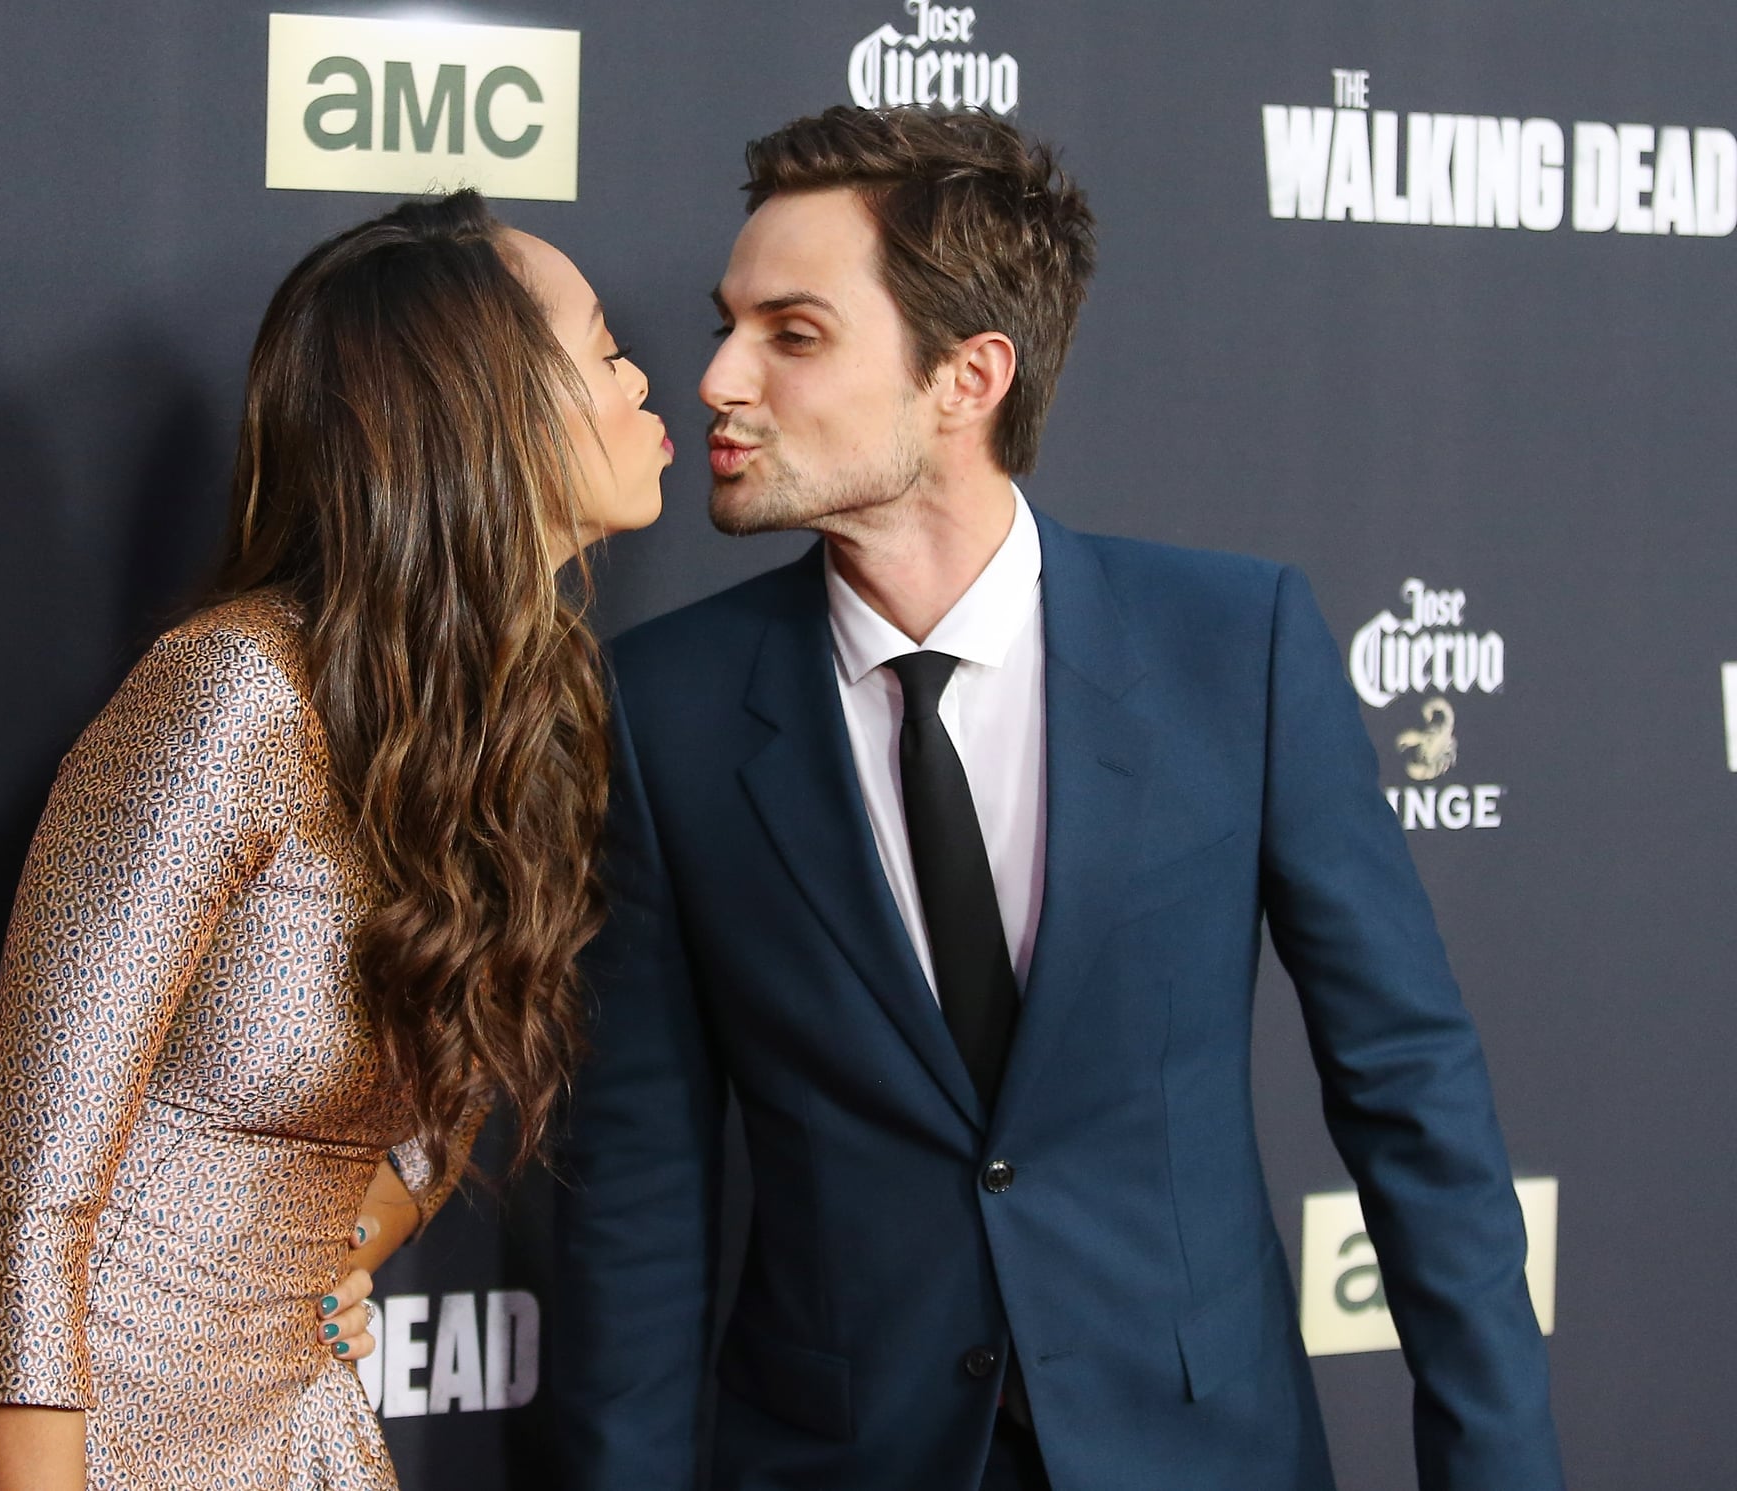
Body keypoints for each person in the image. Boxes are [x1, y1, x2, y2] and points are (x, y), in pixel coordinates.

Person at [548, 107, 1565, 1491]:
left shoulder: (1236, 646)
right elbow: (640, 1188)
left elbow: (1411, 1094)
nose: (718, 376)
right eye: (732, 325)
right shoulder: (660, 704)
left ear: (968, 377)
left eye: (793, 334)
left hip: (1200, 1450)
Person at [0, 189, 669, 1491]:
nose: (643, 383)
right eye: (602, 347)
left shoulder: (508, 734)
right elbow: (26, 1201)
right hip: (28, 1423)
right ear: (479, 403)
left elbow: (427, 1117)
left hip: (270, 1427)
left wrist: (327, 1254)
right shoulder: (232, 698)